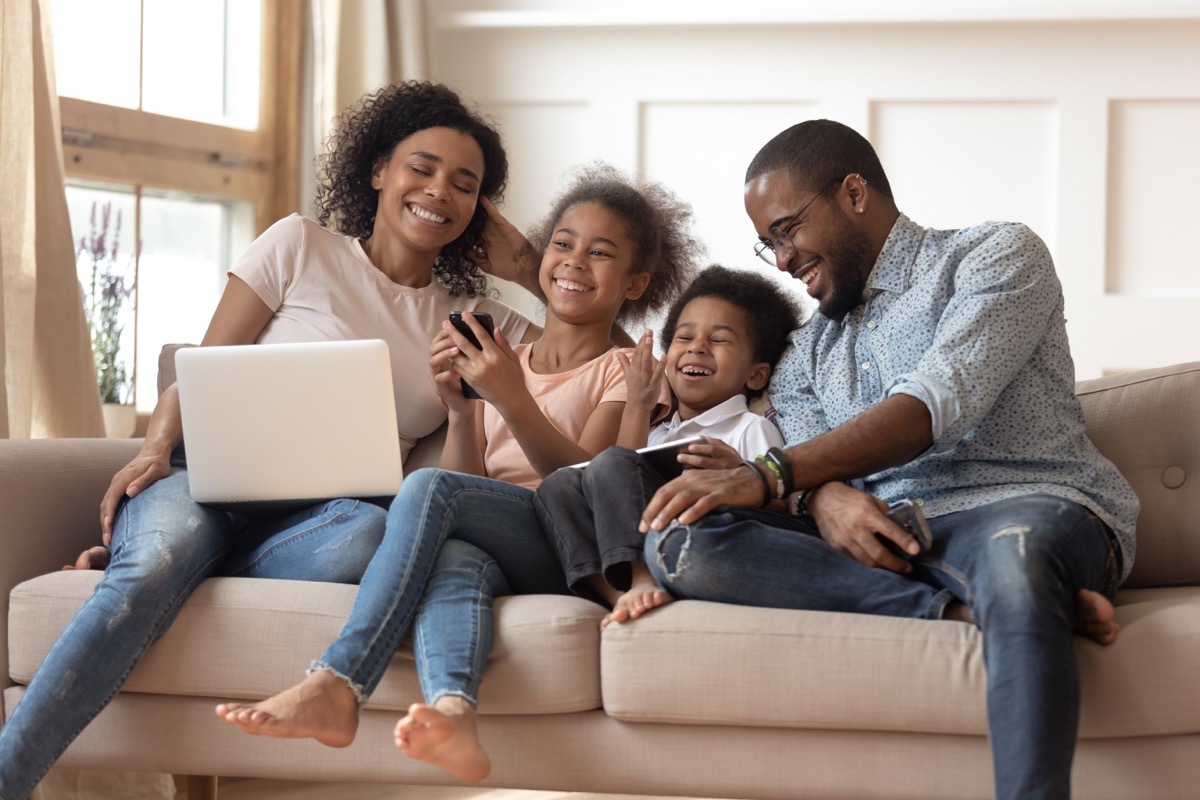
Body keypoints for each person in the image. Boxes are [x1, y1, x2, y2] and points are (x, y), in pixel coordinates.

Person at [0, 80, 538, 800]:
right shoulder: (298, 245)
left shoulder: (473, 318)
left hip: (324, 522)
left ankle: (184, 563)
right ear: (378, 170)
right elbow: (198, 371)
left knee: (369, 533)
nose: (440, 190)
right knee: (154, 564)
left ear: (478, 210)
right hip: (202, 482)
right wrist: (153, 450)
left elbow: (616, 365)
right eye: (422, 167)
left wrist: (529, 268)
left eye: (465, 185)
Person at [636, 119, 1139, 800]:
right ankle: (974, 609)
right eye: (768, 244)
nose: (781, 261)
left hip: (1021, 505)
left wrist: (771, 476)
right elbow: (815, 463)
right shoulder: (804, 354)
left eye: (787, 231)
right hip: (886, 537)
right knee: (681, 540)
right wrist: (826, 499)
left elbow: (931, 405)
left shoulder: (994, 255)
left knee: (1015, 559)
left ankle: (1016, 602)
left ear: (853, 193)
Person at [213, 163, 701, 783]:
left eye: (600, 253)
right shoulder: (507, 356)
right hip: (505, 536)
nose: (575, 262)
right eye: (562, 243)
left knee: (426, 487)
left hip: (566, 543)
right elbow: (471, 478)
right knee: (454, 559)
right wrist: (462, 411)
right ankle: (454, 711)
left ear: (635, 284)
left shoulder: (622, 370)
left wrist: (512, 399)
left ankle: (338, 680)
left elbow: (584, 483)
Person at [534, 264, 800, 628]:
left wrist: (740, 472)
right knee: (558, 483)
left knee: (613, 462)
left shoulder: (751, 427)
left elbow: (782, 507)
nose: (697, 348)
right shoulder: (658, 432)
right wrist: (638, 405)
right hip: (643, 532)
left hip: (698, 540)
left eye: (719, 340)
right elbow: (615, 480)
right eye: (684, 337)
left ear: (756, 375)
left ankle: (643, 579)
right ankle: (618, 594)